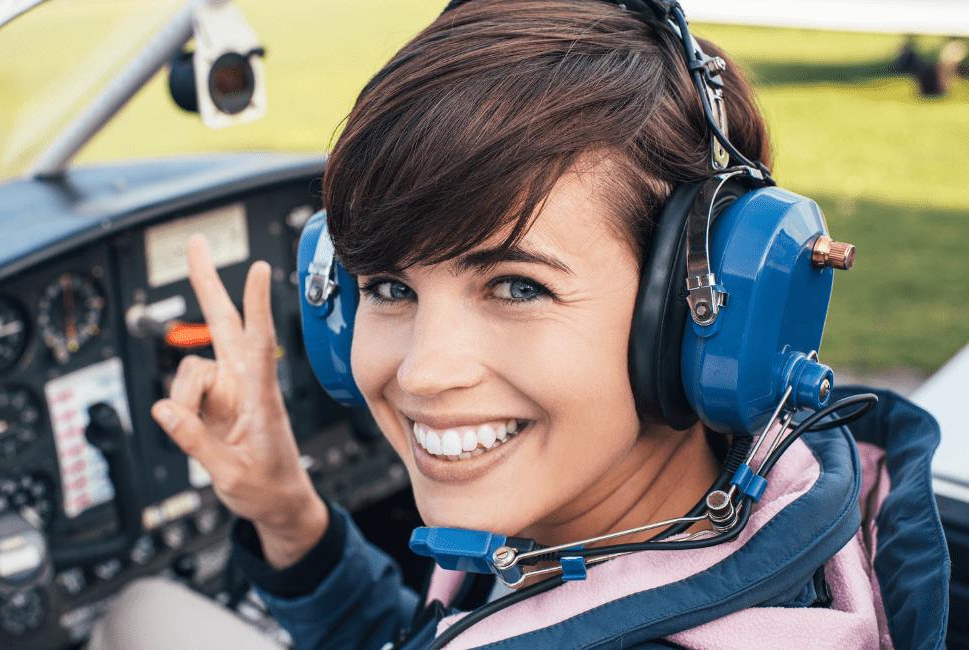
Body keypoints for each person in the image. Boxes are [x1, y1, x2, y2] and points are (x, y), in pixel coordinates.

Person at [91, 1, 951, 648]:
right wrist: (288, 515)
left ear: (710, 321)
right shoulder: (760, 500)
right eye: (388, 286)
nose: (425, 372)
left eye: (515, 287)